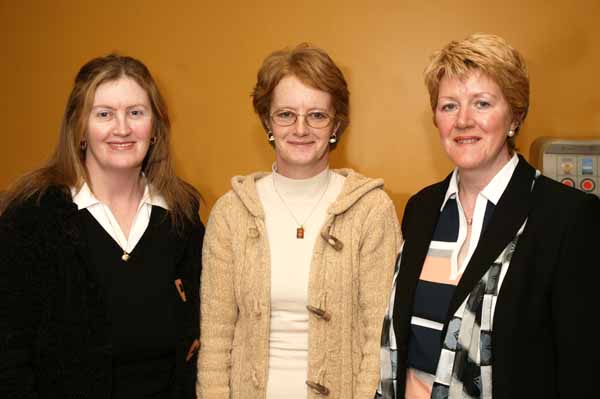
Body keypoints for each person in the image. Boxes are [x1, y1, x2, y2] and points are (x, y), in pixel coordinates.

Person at [377, 33, 600, 399]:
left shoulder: (569, 218)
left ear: (515, 114)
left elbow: (584, 369)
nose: (463, 120)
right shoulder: (421, 209)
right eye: (449, 106)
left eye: (481, 103)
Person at [198, 43, 401, 399]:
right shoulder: (231, 213)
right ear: (267, 121)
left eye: (317, 115)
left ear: (336, 123)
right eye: (286, 114)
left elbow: (379, 339)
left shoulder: (372, 211)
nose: (301, 128)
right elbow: (215, 338)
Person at [0, 54, 204, 399]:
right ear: (79, 127)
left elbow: (199, 339)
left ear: (155, 127)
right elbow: (8, 355)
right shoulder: (32, 216)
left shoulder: (182, 215)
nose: (122, 128)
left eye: (136, 113)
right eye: (104, 114)